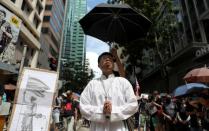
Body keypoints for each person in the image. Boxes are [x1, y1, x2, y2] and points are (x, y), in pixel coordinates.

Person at [79, 52, 138, 131]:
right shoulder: (92, 84)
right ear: (99, 65)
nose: (107, 59)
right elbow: (83, 106)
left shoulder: (123, 82)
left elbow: (133, 105)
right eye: (104, 58)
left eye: (110, 58)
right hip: (97, 128)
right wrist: (101, 111)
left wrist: (113, 111)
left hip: (118, 127)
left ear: (113, 64)